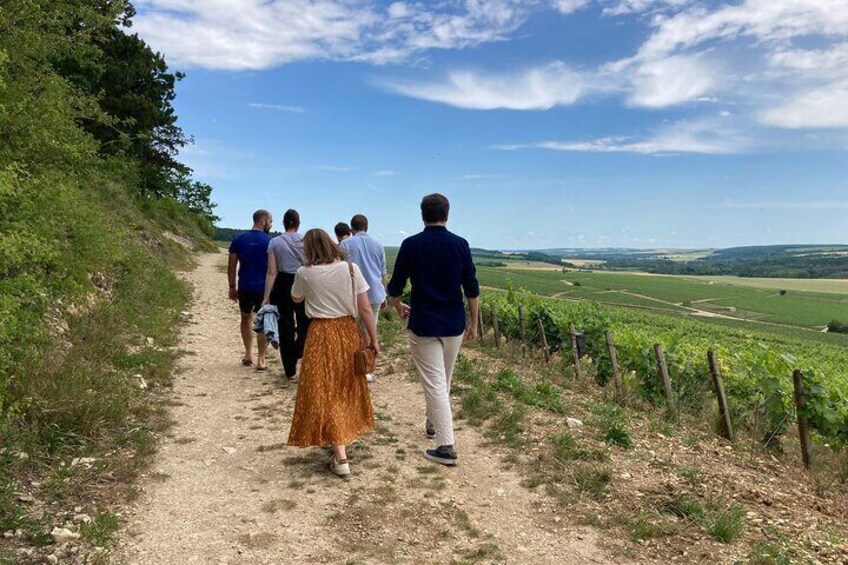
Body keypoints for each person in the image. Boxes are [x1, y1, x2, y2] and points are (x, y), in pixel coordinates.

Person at [387, 194, 479, 466]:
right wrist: (474, 322)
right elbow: (471, 287)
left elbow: (396, 284)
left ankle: (446, 446)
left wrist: (396, 304)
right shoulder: (460, 245)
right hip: (454, 324)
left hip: (424, 323)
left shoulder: (411, 245)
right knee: (443, 380)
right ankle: (432, 423)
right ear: (447, 214)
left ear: (422, 215)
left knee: (436, 381)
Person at [288, 228, 378, 477]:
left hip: (319, 333)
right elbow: (366, 309)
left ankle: (340, 455)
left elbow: (296, 298)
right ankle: (340, 441)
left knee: (323, 388)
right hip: (348, 331)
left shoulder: (304, 273)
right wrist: (373, 339)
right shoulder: (351, 269)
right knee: (345, 385)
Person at [339, 214, 387, 382]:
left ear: (352, 229)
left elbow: (339, 270)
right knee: (369, 329)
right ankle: (366, 367)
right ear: (367, 227)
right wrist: (384, 294)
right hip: (374, 293)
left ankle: (354, 365)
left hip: (351, 294)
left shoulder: (345, 244)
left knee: (354, 331)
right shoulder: (378, 245)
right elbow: (382, 273)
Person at [263, 209, 309, 380]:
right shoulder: (306, 241)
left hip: (283, 282)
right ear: (298, 223)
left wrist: (267, 295)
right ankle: (299, 349)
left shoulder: (275, 242)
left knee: (285, 325)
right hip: (303, 280)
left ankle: (289, 369)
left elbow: (271, 272)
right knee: (305, 321)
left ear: (284, 222)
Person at [228, 210, 273, 370]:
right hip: (264, 288)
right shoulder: (270, 241)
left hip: (245, 286)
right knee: (263, 322)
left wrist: (232, 286)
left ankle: (248, 353)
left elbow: (232, 266)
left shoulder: (239, 239)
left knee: (245, 318)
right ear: (263, 221)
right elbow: (273, 270)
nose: (271, 224)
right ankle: (261, 359)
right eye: (270, 221)